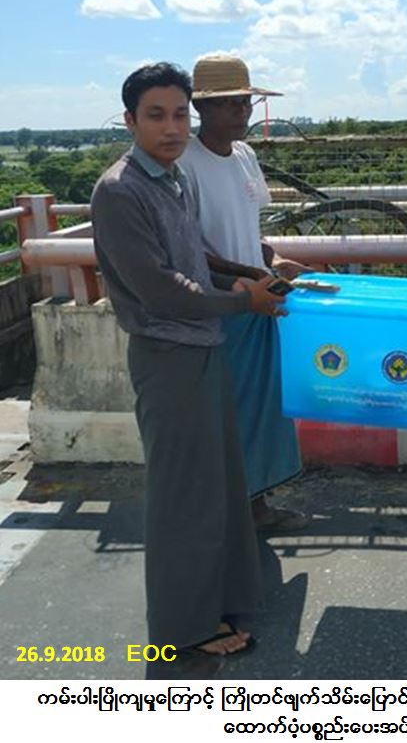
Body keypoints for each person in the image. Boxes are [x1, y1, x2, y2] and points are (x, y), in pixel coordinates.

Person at [91, 62, 286, 655]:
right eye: (156, 115)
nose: (171, 127)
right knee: (183, 497)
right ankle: (185, 630)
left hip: (203, 349)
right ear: (130, 121)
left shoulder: (170, 178)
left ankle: (222, 600)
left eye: (178, 114)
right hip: (167, 356)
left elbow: (194, 259)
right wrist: (244, 300)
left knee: (218, 487)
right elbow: (162, 290)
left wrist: (246, 277)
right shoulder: (120, 190)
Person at [179, 54, 308, 531]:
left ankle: (254, 506)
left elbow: (248, 229)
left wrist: (272, 259)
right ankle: (230, 513)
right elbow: (189, 246)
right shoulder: (185, 164)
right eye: (227, 103)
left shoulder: (245, 157)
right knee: (228, 412)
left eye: (244, 102)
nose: (240, 111)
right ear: (200, 108)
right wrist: (248, 273)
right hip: (220, 304)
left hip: (258, 299)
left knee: (262, 407)